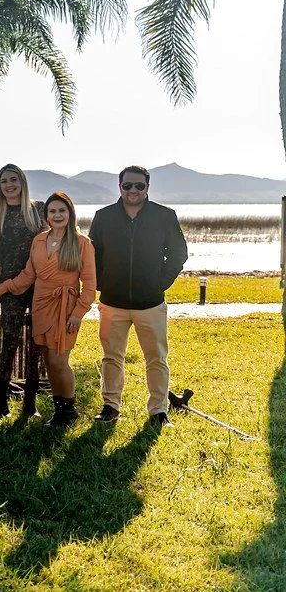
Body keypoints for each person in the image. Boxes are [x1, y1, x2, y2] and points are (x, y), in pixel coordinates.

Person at [88, 165, 188, 427]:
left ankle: (159, 411)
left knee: (156, 358)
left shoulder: (164, 216)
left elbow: (178, 253)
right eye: (127, 185)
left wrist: (160, 283)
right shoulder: (103, 217)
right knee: (111, 357)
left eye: (139, 185)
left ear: (147, 187)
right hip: (112, 302)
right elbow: (92, 255)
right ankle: (110, 407)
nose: (133, 190)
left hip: (151, 303)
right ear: (120, 187)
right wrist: (102, 283)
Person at [0, 192, 97, 427]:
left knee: (59, 361)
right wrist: (2, 288)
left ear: (70, 213)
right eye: (52, 211)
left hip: (65, 308)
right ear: (46, 216)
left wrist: (77, 313)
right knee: (48, 361)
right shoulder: (39, 240)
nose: (57, 215)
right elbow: (28, 276)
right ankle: (59, 411)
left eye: (62, 211)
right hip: (41, 305)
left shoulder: (82, 243)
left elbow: (90, 286)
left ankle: (69, 410)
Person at [0, 164, 46, 416]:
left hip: (39, 284)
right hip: (9, 286)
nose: (9, 185)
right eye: (4, 181)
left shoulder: (38, 210)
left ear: (22, 182)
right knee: (8, 341)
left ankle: (30, 402)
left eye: (13, 180)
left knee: (35, 343)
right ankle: (2, 402)